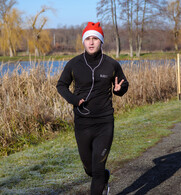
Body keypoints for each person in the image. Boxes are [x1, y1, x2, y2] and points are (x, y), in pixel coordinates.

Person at [56, 22, 128, 195]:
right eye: (88, 38)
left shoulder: (111, 64)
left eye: (95, 38)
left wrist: (120, 90)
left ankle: (100, 181)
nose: (91, 42)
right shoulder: (74, 64)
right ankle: (104, 177)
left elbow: (123, 84)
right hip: (83, 123)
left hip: (104, 122)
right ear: (83, 41)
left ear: (101, 41)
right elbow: (61, 85)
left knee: (96, 169)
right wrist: (73, 99)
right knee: (89, 169)